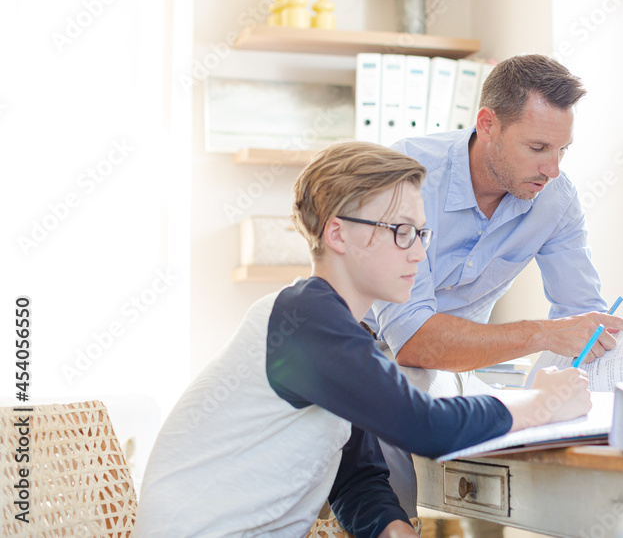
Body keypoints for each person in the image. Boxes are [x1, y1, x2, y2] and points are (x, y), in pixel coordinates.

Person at [134, 142, 590, 538]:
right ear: (338, 234)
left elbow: (356, 478)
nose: (418, 251)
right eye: (401, 232)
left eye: (421, 233)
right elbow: (424, 426)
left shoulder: (342, 339)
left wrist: (394, 529)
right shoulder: (304, 319)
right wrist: (540, 403)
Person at [363, 55, 623, 521]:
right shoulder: (405, 176)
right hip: (371, 351)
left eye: (562, 150)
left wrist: (587, 361)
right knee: (393, 409)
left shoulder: (555, 199)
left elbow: (581, 316)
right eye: (537, 147)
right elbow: (411, 343)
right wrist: (542, 335)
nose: (552, 168)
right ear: (487, 124)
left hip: (454, 367)